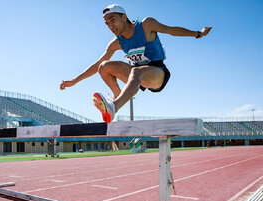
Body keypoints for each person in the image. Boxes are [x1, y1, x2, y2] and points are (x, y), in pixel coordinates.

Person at [60, 4, 212, 123]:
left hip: (157, 73)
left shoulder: (146, 25)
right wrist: (75, 80)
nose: (111, 27)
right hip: (136, 76)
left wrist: (198, 33)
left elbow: (171, 30)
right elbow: (96, 64)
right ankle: (117, 98)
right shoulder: (116, 43)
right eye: (107, 24)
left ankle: (114, 106)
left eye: (113, 21)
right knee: (103, 67)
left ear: (124, 17)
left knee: (136, 72)